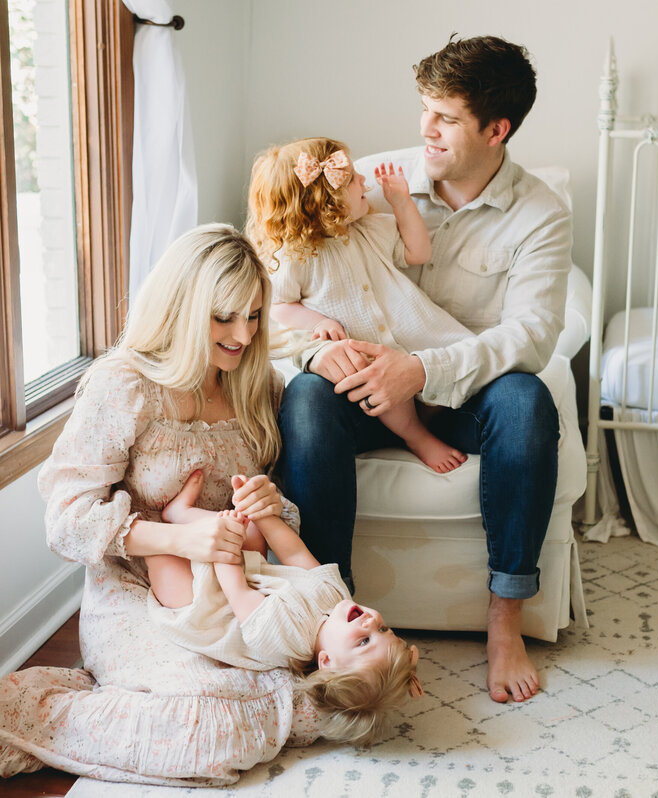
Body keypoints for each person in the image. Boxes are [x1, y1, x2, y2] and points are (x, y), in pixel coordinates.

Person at [276, 35, 571, 704]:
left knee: (528, 400)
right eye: (423, 108)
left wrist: (422, 368)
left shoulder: (542, 216)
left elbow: (532, 336)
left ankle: (505, 619)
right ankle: (330, 611)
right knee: (304, 396)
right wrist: (320, 351)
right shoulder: (367, 182)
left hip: (465, 400)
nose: (424, 128)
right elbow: (281, 279)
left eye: (444, 116)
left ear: (496, 130)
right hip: (362, 392)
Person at [1, 225, 327, 785]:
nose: (243, 334)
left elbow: (272, 516)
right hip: (134, 591)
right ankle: (33, 713)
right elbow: (65, 520)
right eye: (224, 316)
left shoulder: (258, 385)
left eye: (253, 315)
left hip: (232, 590)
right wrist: (177, 539)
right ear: (181, 305)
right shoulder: (124, 385)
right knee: (210, 725)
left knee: (311, 693)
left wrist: (271, 504)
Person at [146, 469, 422, 747]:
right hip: (253, 576)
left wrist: (225, 543)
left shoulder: (286, 636)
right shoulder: (338, 598)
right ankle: (181, 513)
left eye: (364, 641)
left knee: (161, 555)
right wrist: (261, 515)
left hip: (206, 607)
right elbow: (294, 554)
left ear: (326, 662)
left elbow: (236, 592)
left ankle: (173, 521)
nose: (371, 622)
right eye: (384, 629)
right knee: (251, 530)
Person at [248, 137, 469, 474]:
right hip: (364, 352)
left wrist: (402, 203)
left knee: (454, 365)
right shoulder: (295, 255)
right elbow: (278, 305)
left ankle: (430, 413)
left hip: (412, 341)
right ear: (326, 199)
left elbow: (418, 252)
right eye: (352, 179)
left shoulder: (370, 227)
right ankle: (415, 435)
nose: (364, 180)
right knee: (369, 376)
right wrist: (314, 320)